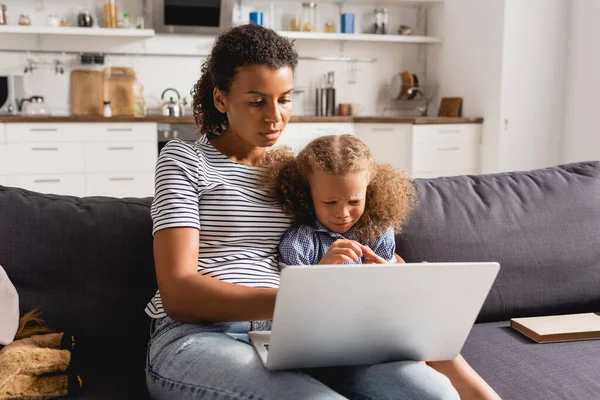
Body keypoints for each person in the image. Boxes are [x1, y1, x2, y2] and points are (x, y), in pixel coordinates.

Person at [145, 23, 496, 400]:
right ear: (220, 99)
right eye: (256, 101)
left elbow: (344, 239)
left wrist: (397, 276)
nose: (274, 116)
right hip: (199, 338)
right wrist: (297, 300)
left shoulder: (294, 173)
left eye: (284, 99)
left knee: (433, 394)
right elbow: (178, 292)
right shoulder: (185, 159)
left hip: (300, 335)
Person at [264, 134, 417, 267]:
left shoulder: (379, 233)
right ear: (306, 195)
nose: (343, 214)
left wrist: (387, 274)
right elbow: (291, 293)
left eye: (354, 202)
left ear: (369, 193)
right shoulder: (298, 243)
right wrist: (322, 269)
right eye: (330, 203)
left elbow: (393, 289)